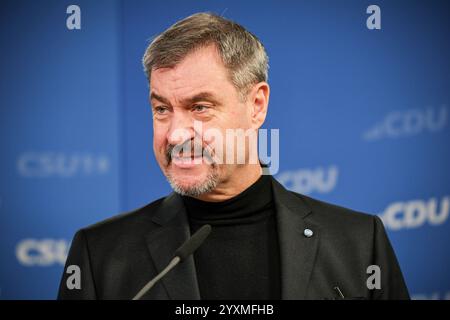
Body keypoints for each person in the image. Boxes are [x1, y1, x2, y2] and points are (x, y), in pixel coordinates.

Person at [58, 12, 409, 300]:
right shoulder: (99, 255)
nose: (176, 134)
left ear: (256, 106)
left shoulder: (360, 243)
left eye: (200, 107)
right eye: (161, 108)